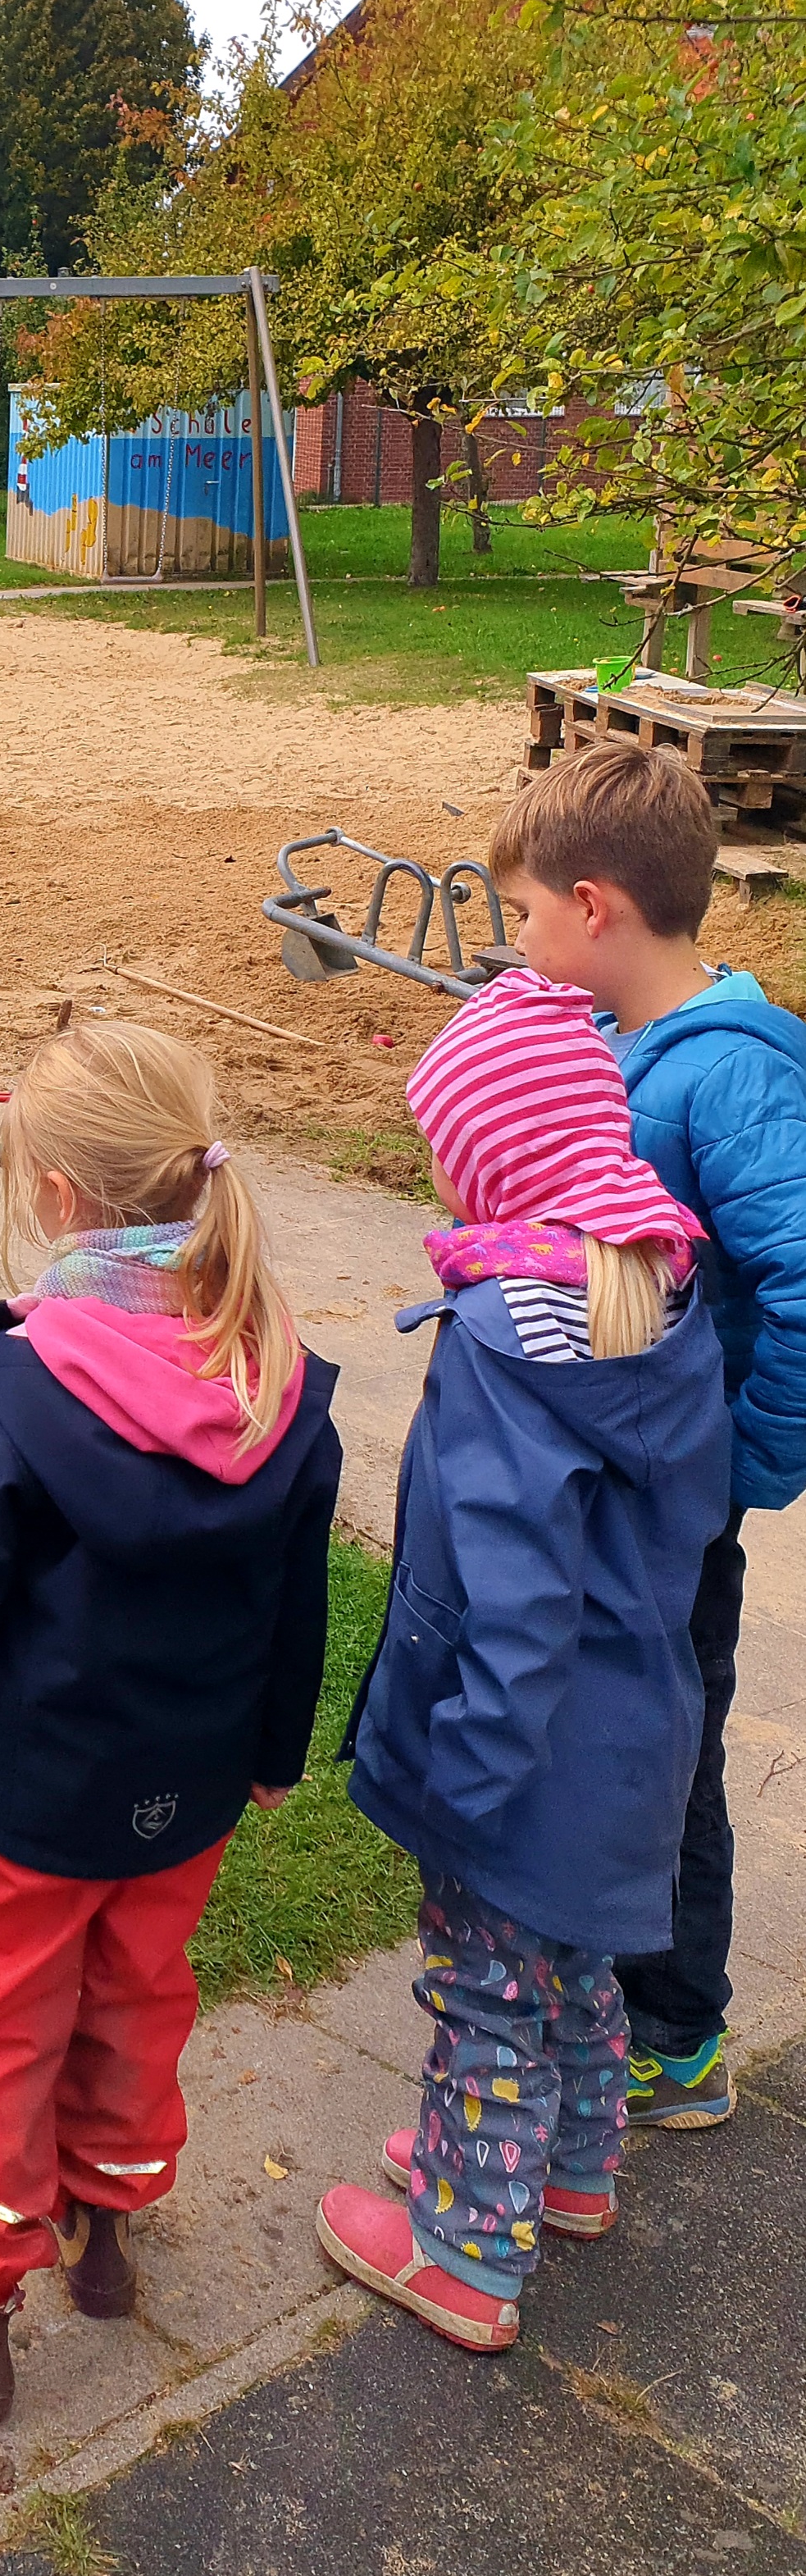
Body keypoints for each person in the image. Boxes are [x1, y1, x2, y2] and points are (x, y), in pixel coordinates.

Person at [0, 1023, 341, 2428]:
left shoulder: (21, 1387)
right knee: (132, 1998)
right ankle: (100, 2231)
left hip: (31, 1796)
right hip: (183, 1790)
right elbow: (295, 1597)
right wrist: (269, 1756)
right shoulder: (278, 1378)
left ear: (56, 1196)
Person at [317, 968, 730, 2350]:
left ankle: (462, 2254)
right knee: (578, 1970)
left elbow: (512, 1599)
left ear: (490, 1162)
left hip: (527, 1751)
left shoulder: (503, 1344)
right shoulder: (660, 1299)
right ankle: (570, 2172)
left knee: (487, 1991)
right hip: (639, 1735)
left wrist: (466, 1783)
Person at [485, 743, 806, 2132]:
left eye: (521, 918)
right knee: (617, 1723)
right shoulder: (616, 1050)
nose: (514, 944)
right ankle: (604, 1987)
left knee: (665, 1746)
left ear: (594, 907)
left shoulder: (719, 1079)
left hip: (683, 1498)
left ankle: (673, 2031)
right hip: (625, 1485)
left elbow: (800, 1273)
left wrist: (742, 1465)